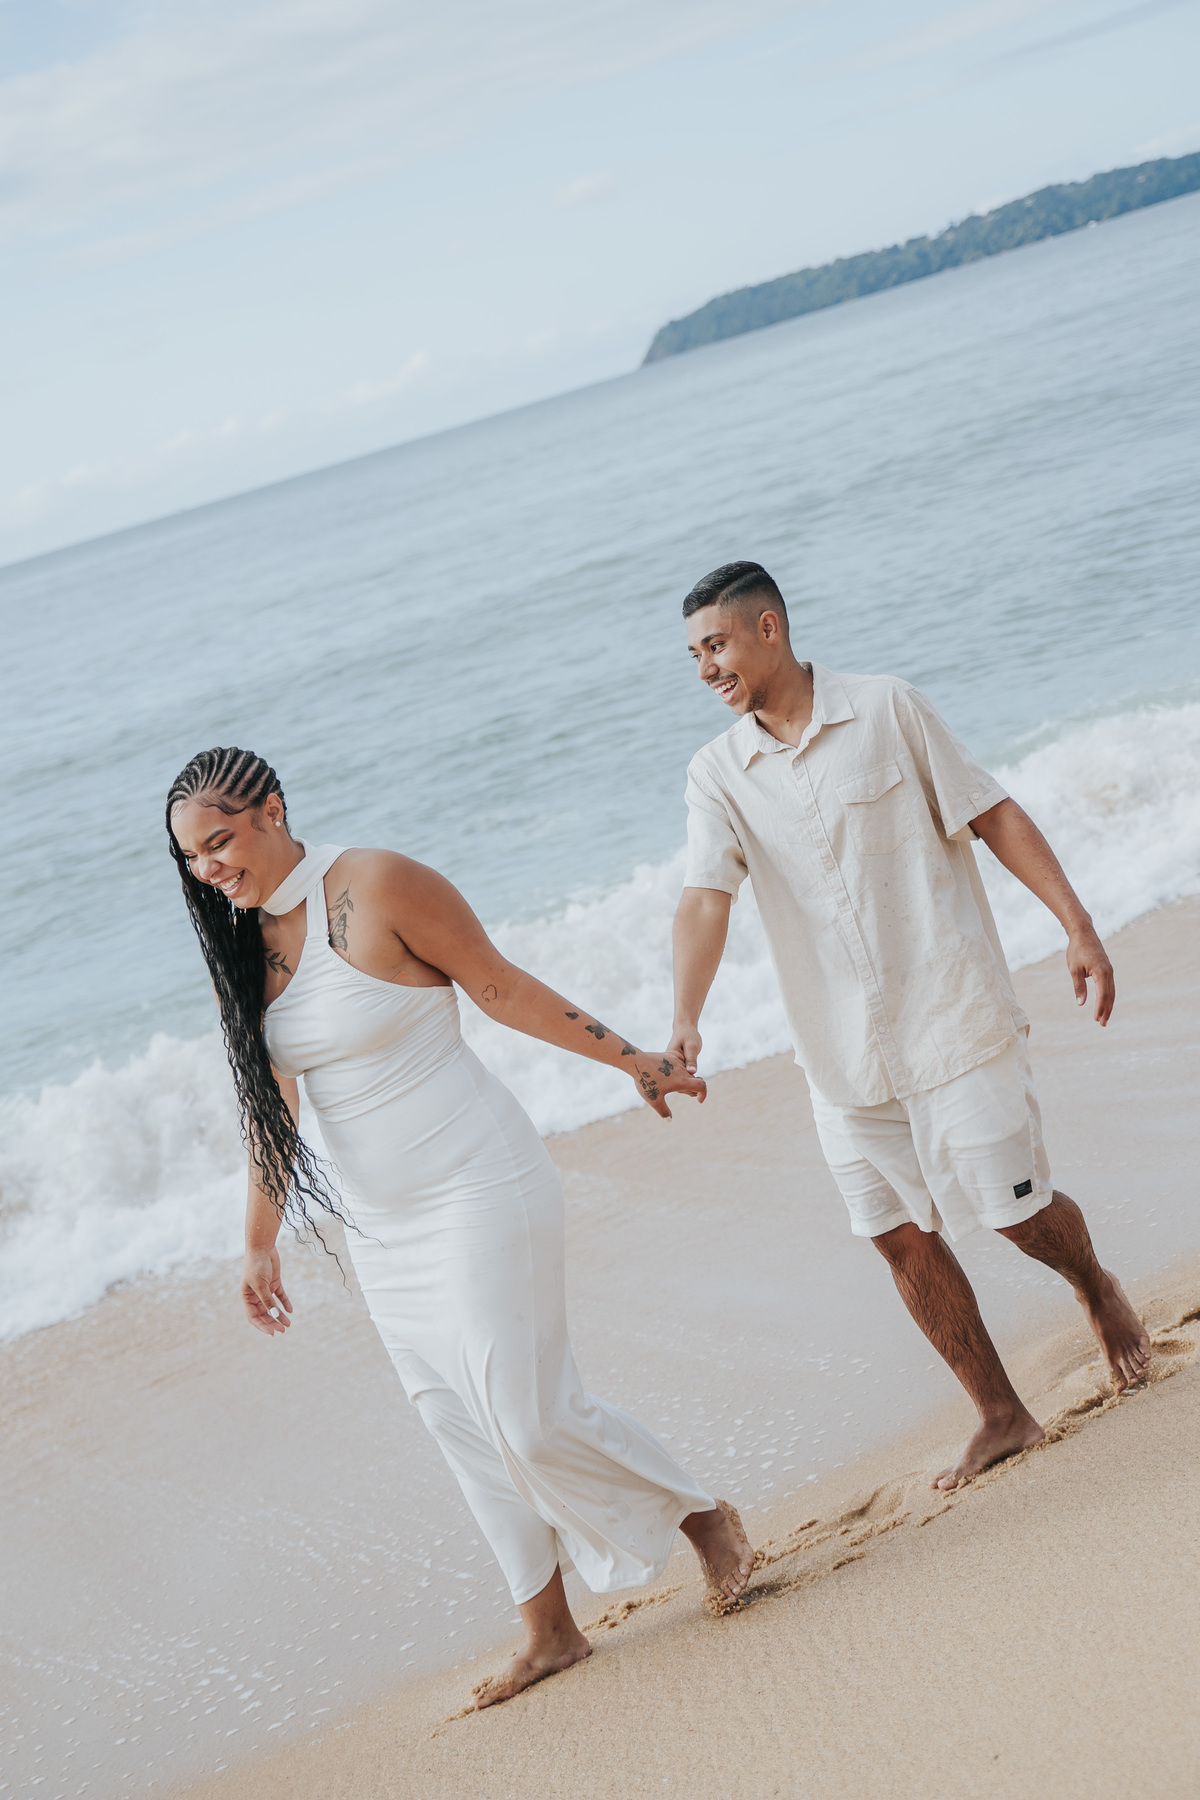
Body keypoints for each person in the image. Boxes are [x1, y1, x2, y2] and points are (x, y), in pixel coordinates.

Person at [165, 746, 756, 1708]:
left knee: (527, 1415)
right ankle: (550, 1632)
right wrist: (258, 1240)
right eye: (192, 856)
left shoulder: (378, 883)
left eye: (219, 842)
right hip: (382, 1229)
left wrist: (634, 1062)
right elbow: (271, 1111)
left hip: (480, 1183)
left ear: (272, 810)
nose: (208, 868)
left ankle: (700, 1518)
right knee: (462, 1428)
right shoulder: (243, 950)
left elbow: (501, 987)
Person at [670, 561, 1150, 1491]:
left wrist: (1078, 926)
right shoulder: (717, 775)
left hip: (951, 1020)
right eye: (693, 655)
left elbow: (992, 814)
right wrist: (684, 1018)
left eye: (715, 646)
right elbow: (703, 899)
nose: (705, 670)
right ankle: (1000, 1413)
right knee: (897, 1237)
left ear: (768, 629)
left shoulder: (888, 709)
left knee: (1018, 1214)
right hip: (841, 1058)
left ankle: (1095, 1285)